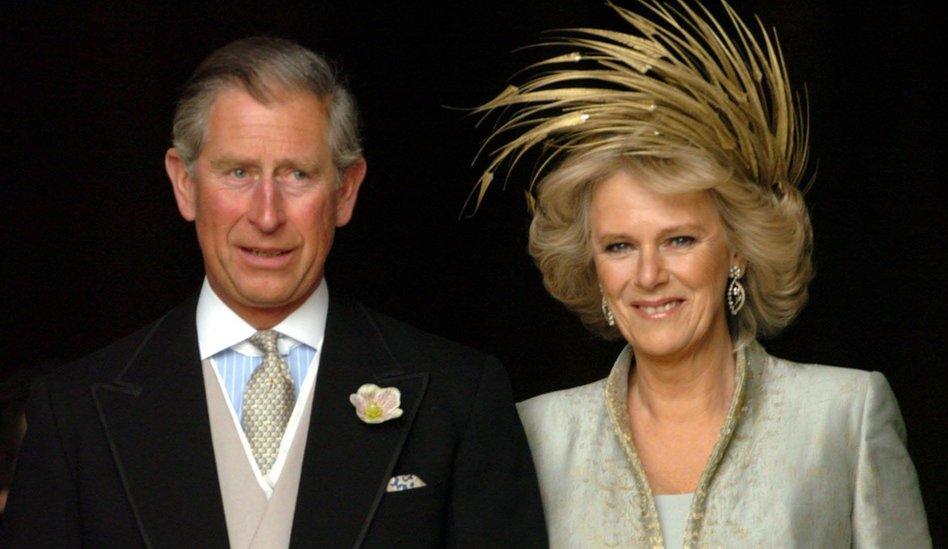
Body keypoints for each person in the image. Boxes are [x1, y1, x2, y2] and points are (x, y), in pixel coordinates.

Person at [2, 37, 547, 548]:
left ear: (345, 190)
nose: (266, 215)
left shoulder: (460, 399)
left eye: (297, 175)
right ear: (185, 183)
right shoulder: (73, 414)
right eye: (237, 172)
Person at [475, 2, 930, 547]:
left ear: (737, 250)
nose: (647, 274)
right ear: (593, 269)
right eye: (619, 246)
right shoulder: (533, 434)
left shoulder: (843, 416)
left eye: (679, 240)